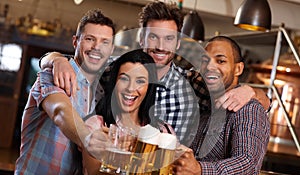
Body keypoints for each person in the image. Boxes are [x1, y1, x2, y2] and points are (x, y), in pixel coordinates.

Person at [39, 1, 270, 147]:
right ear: (141, 39)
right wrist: (55, 59)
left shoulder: (192, 84)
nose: (160, 46)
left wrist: (251, 91)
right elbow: (78, 64)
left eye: (168, 38)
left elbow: (261, 100)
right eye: (153, 37)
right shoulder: (113, 69)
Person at [9, 9, 115, 175]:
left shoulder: (104, 91)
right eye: (90, 39)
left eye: (105, 42)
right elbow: (60, 112)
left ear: (111, 49)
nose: (97, 47)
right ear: (76, 42)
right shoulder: (52, 74)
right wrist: (94, 141)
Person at [171, 36, 271, 175]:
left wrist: (199, 172)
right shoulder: (202, 106)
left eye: (221, 61)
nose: (210, 67)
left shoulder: (248, 109)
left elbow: (246, 165)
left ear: (238, 69)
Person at [82, 49, 175, 175]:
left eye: (140, 81)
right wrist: (129, 154)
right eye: (124, 79)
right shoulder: (96, 124)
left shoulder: (164, 131)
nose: (131, 88)